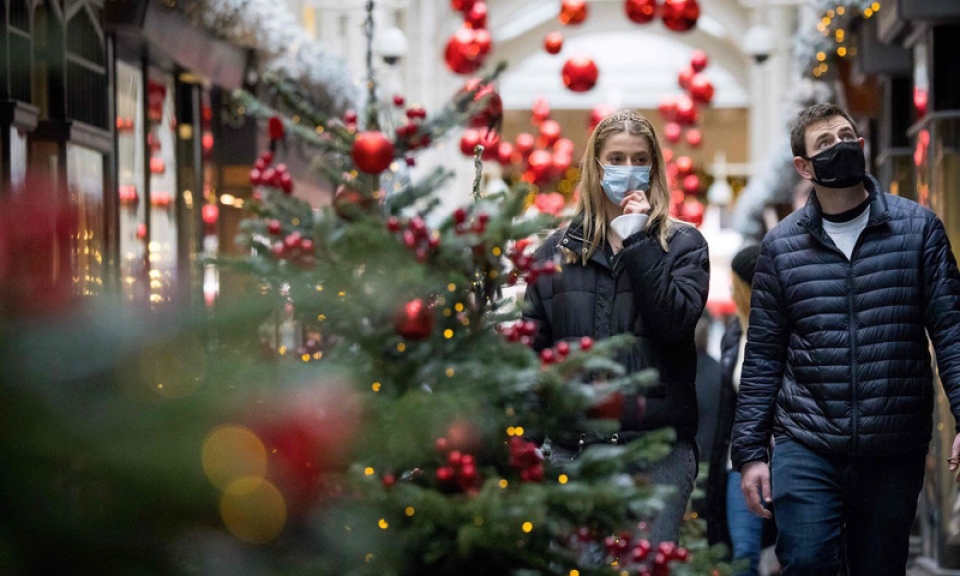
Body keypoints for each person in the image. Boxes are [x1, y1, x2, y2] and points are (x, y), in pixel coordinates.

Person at [731, 102, 960, 576]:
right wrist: (750, 453)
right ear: (803, 167)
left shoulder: (918, 230)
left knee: (879, 566)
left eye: (845, 136)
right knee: (808, 561)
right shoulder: (782, 247)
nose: (840, 147)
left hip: (892, 440)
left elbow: (952, 331)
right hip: (806, 439)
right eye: (824, 144)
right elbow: (763, 356)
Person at [522, 110, 710, 544]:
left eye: (639, 159)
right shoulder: (556, 253)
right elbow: (531, 354)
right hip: (576, 451)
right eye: (617, 158)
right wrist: (528, 444)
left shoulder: (682, 244)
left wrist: (637, 240)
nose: (628, 170)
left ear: (655, 167)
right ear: (596, 166)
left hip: (656, 453)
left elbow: (675, 323)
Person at [706, 244, 776, 576]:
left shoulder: (789, 331)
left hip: (788, 459)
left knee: (792, 555)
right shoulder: (734, 333)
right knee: (744, 554)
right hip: (741, 462)